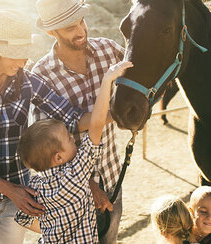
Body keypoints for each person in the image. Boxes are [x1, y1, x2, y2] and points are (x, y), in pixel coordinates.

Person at [0, 9, 91, 244]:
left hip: (19, 200)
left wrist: (115, 112)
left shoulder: (27, 82)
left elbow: (72, 117)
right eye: (16, 54)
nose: (24, 61)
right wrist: (10, 190)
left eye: (25, 53)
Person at [32, 0, 125, 243]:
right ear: (52, 32)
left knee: (110, 240)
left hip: (113, 173)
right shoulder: (42, 74)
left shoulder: (108, 49)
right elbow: (45, 146)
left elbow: (145, 78)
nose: (81, 30)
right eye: (70, 27)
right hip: (72, 190)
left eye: (81, 21)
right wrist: (89, 186)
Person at [15, 61, 132, 243]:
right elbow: (96, 125)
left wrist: (54, 229)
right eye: (69, 139)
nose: (73, 137)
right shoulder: (74, 175)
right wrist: (107, 80)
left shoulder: (35, 186)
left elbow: (23, 219)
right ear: (58, 157)